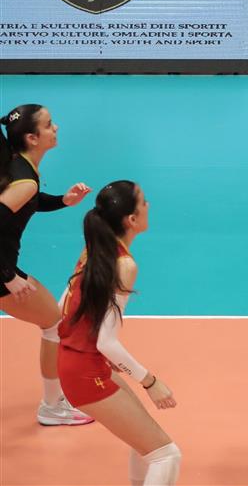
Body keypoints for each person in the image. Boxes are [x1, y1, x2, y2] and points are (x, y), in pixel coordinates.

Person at [57, 181, 182, 485]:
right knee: (166, 455)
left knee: (145, 446)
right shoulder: (123, 265)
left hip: (76, 363)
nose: (149, 205)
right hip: (86, 371)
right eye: (144, 201)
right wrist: (150, 382)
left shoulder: (94, 249)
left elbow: (63, 306)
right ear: (132, 219)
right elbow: (106, 341)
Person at [0, 103, 93, 427]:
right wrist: (8, 276)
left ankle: (53, 404)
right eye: (49, 124)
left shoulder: (18, 166)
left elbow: (26, 201)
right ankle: (52, 407)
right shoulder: (24, 179)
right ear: (32, 137)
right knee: (54, 324)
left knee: (53, 322)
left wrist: (62, 201)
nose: (56, 127)